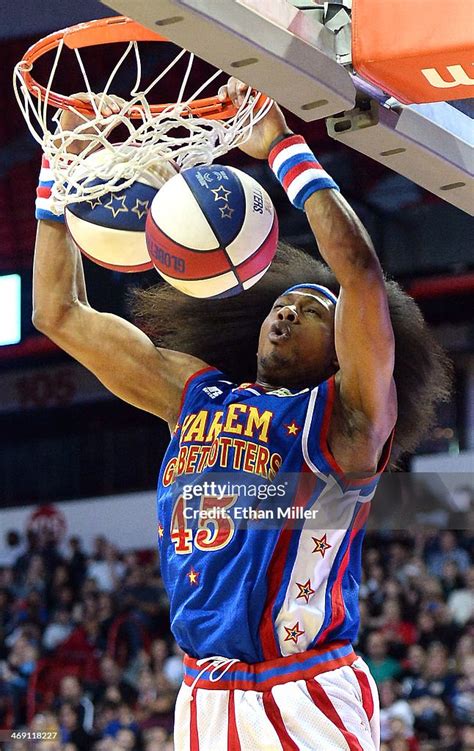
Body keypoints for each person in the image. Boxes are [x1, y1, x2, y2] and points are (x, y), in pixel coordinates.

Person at [32, 78, 451, 749]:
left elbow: (362, 277)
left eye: (315, 311)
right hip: (202, 691)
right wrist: (62, 165)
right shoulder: (192, 394)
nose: (288, 310)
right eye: (286, 305)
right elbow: (57, 313)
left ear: (341, 346)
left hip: (306, 685)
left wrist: (284, 147)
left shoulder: (346, 420)